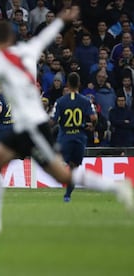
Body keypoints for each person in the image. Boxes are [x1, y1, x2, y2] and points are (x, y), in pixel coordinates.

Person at [0, 6, 133, 235]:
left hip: (34, 127)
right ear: (13, 37)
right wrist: (61, 20)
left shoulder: (0, 61)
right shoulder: (28, 49)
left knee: (62, 175)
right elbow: (45, 37)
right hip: (23, 127)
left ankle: (116, 187)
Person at [51, 72, 98, 202]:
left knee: (58, 163)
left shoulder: (60, 101)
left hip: (65, 137)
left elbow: (52, 121)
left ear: (67, 84)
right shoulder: (86, 100)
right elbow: (94, 117)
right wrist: (91, 126)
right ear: (79, 84)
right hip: (79, 138)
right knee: (73, 169)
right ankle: (67, 195)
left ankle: (60, 177)